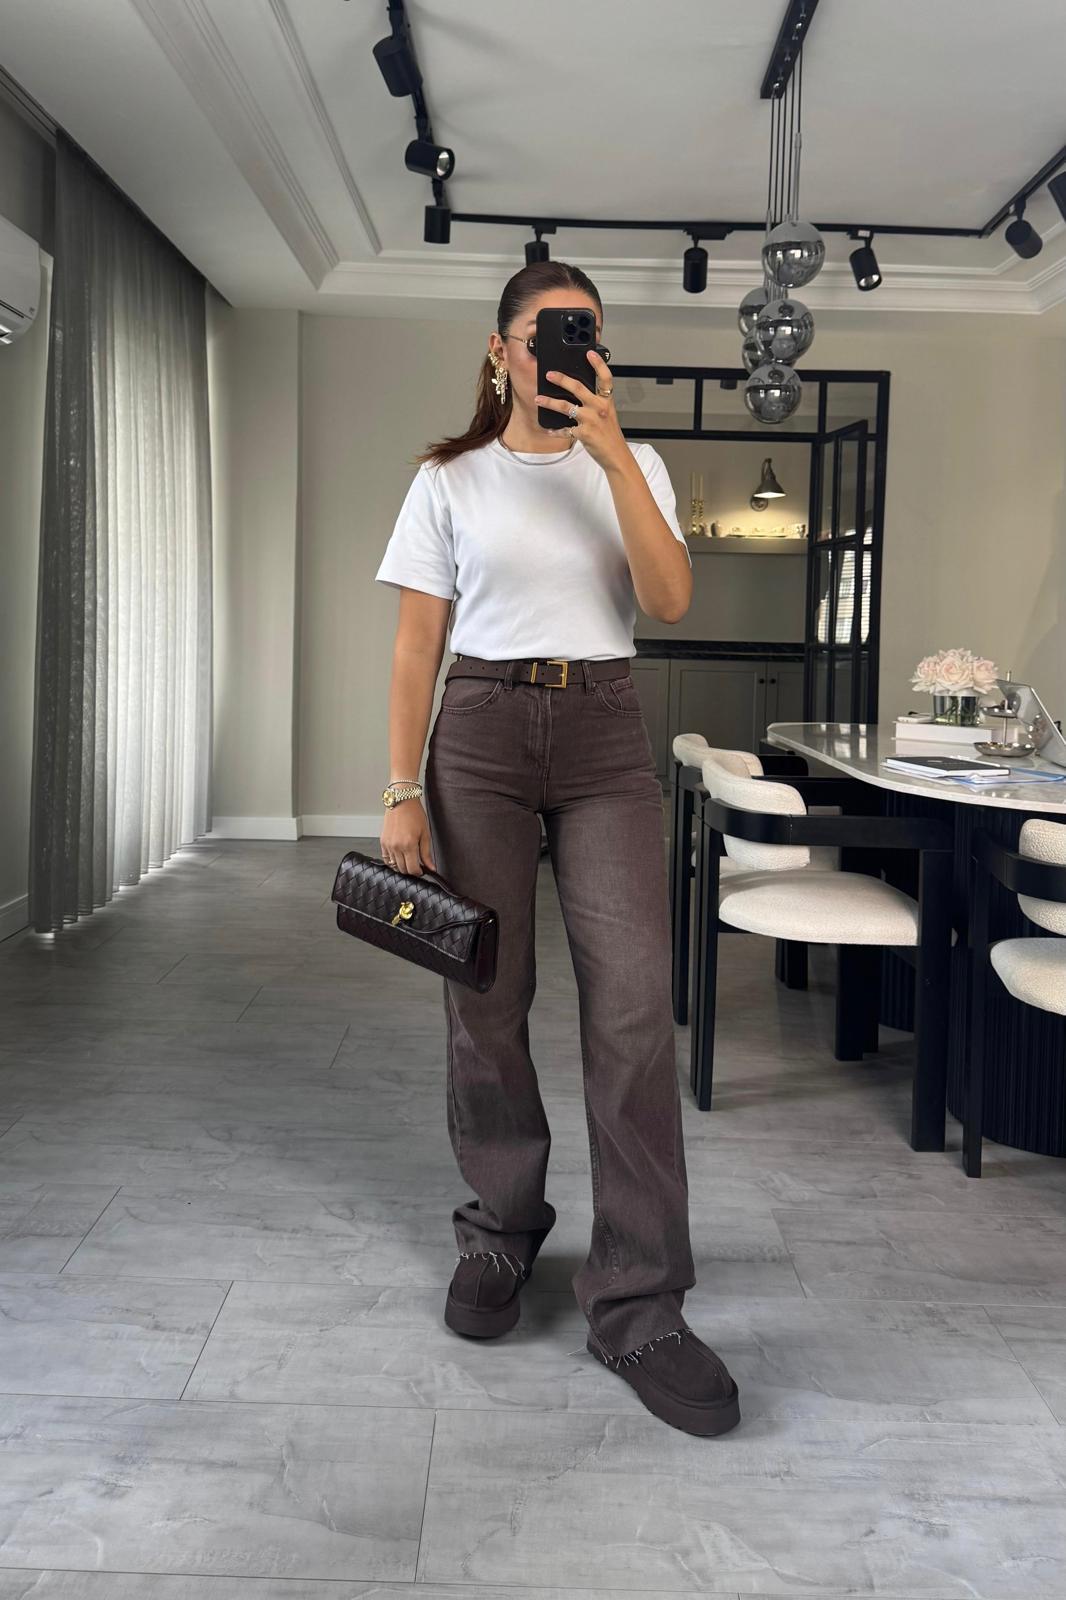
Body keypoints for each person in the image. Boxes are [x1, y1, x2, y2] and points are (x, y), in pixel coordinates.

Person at [373, 260, 739, 1438]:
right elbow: (415, 644)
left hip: (602, 729)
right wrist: (400, 789)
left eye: (587, 332)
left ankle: (639, 1301)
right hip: (479, 730)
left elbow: (669, 600)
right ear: (500, 351)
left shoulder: (634, 465)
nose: (569, 349)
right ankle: (500, 1228)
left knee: (632, 1005)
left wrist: (617, 454)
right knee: (484, 996)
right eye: (546, 332)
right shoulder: (449, 478)